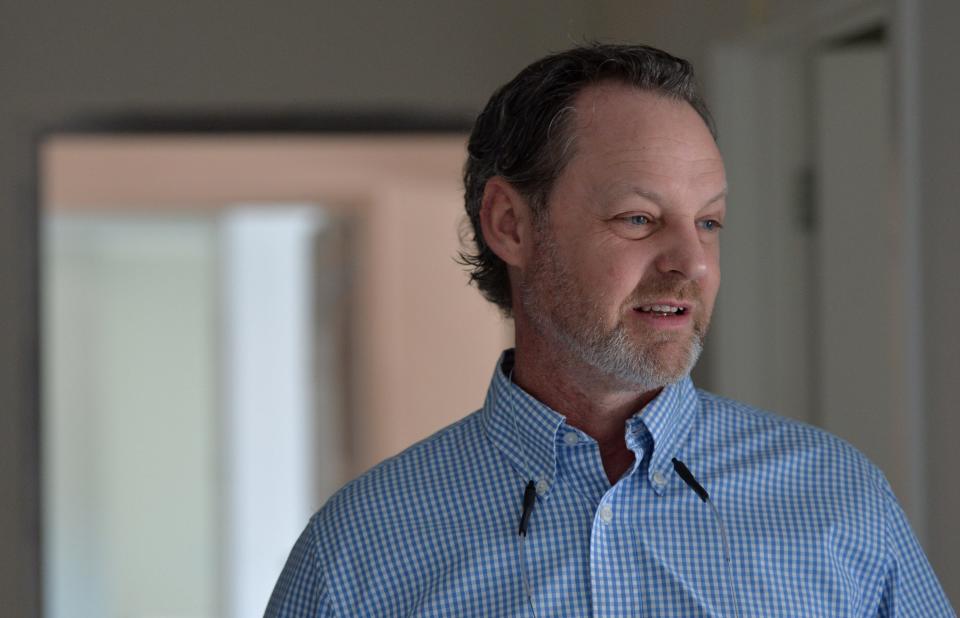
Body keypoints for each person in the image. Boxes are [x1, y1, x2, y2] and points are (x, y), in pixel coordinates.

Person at [266, 44, 954, 617]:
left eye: (708, 222)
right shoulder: (359, 550)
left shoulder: (837, 501)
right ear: (510, 224)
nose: (692, 262)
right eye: (638, 218)